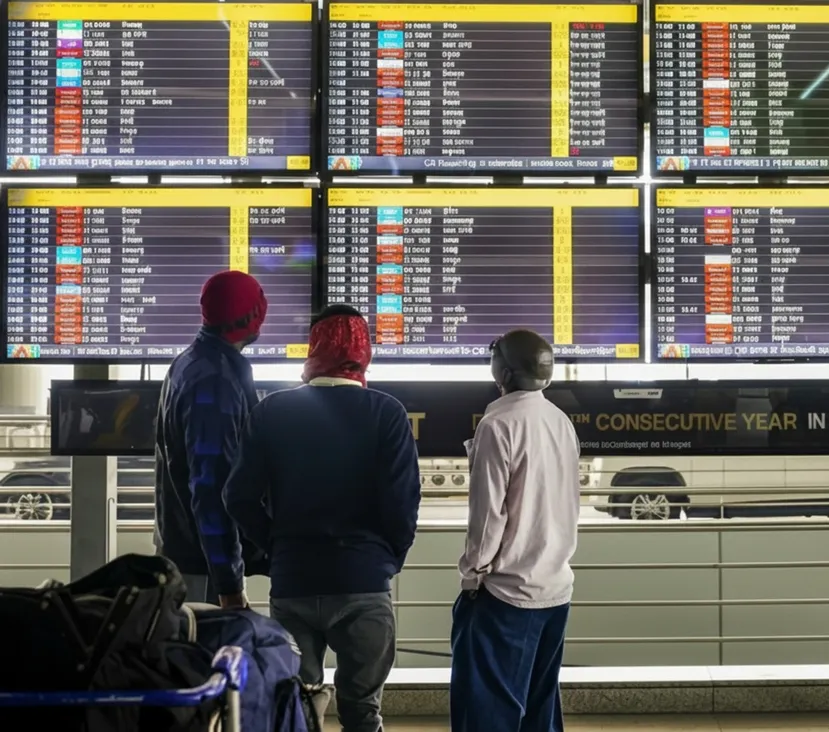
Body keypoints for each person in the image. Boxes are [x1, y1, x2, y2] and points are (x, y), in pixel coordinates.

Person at [224, 304, 421, 732]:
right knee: (363, 711)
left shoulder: (272, 411)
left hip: (294, 580)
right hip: (364, 580)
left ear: (313, 349)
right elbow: (403, 503)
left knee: (295, 709)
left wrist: (275, 545)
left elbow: (236, 495)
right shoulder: (386, 412)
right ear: (364, 353)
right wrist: (387, 557)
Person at [450, 329, 580, 732]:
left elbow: (489, 516)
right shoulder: (561, 422)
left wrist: (473, 576)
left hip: (506, 593)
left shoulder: (498, 424)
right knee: (540, 709)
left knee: (488, 711)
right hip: (555, 589)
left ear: (503, 372)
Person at [154, 270, 270, 607]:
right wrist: (229, 584)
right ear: (251, 316)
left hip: (187, 554)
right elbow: (212, 488)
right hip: (204, 567)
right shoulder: (215, 383)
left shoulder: (189, 363)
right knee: (210, 656)